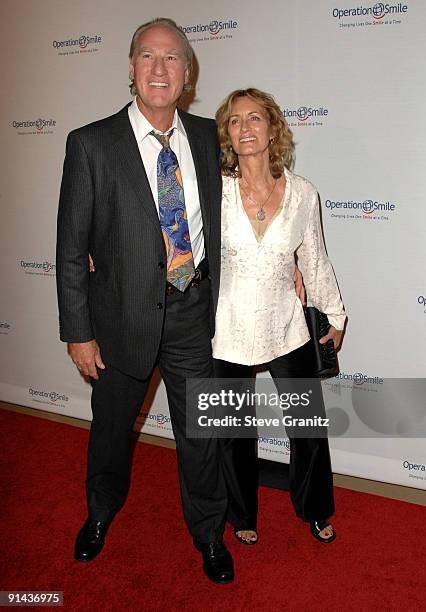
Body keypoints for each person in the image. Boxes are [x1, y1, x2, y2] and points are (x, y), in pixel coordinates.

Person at [56, 18, 234, 584]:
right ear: (131, 69)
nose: (159, 68)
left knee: (202, 435)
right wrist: (78, 332)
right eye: (147, 57)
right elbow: (69, 250)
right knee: (111, 431)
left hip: (193, 313)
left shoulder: (209, 138)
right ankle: (100, 514)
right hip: (118, 319)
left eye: (172, 58)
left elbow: (253, 206)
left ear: (187, 73)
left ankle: (209, 534)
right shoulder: (90, 143)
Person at [212, 88, 346, 545]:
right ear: (227, 133)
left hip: (286, 324)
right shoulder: (216, 190)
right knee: (232, 432)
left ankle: (314, 508)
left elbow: (314, 259)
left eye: (254, 118)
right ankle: (241, 514)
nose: (245, 128)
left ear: (272, 128)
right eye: (234, 120)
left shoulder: (304, 193)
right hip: (224, 328)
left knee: (308, 428)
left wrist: (335, 314)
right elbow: (177, 245)